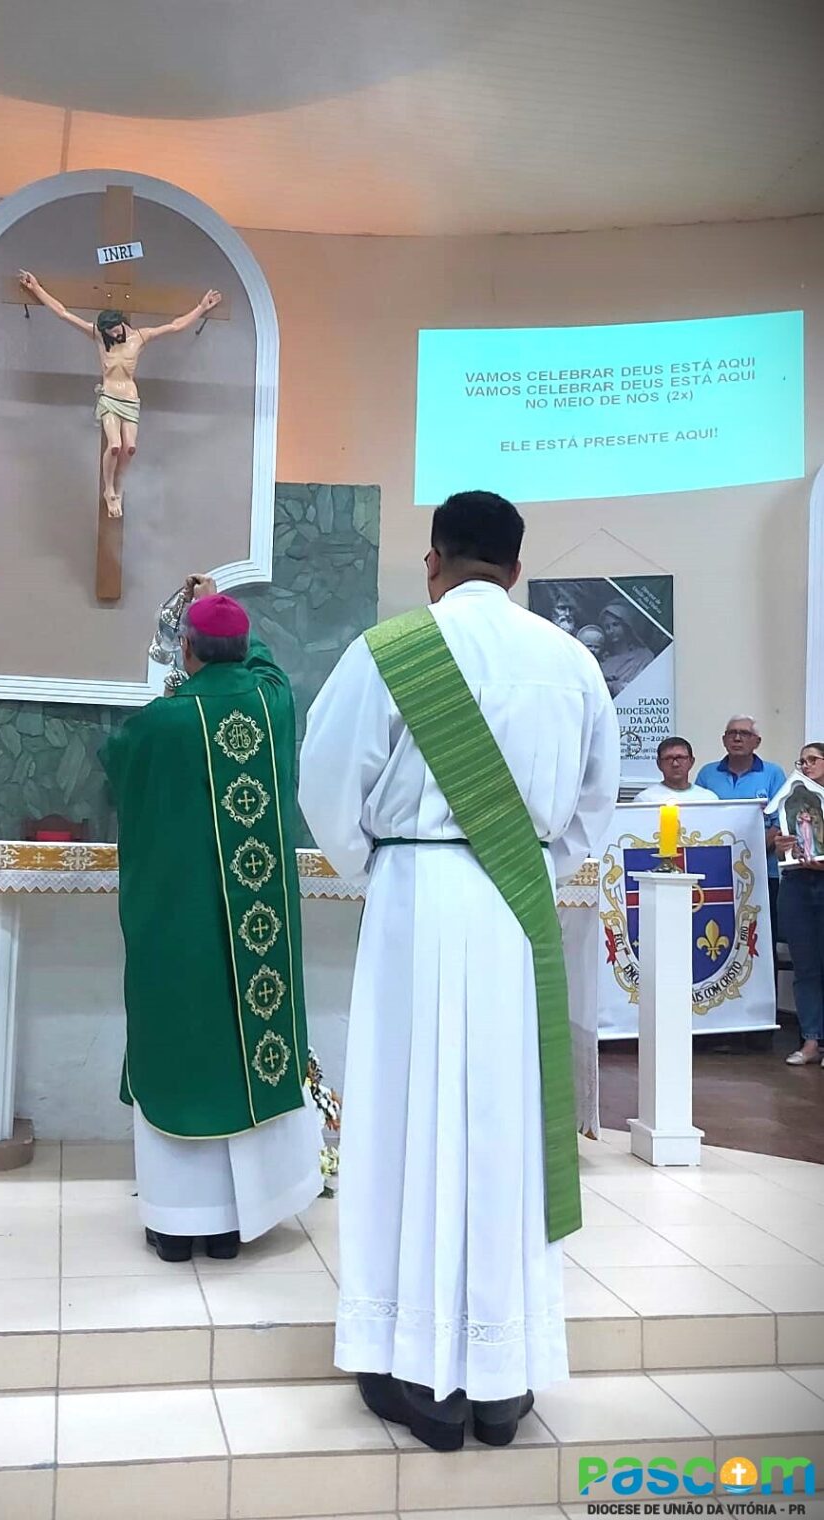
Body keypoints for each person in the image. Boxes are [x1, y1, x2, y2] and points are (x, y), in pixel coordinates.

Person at [299, 491, 619, 1451]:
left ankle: (422, 1380)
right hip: (514, 907)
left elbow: (325, 783)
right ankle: (501, 1383)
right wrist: (527, 866)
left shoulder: (390, 650)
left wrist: (384, 862)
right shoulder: (573, 663)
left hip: (414, 898)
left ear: (433, 560)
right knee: (503, 1131)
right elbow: (593, 810)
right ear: (518, 571)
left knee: (407, 1126)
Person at [100, 576, 321, 1262]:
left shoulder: (158, 725)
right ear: (238, 647)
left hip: (175, 925)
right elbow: (265, 664)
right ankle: (234, 1224)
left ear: (186, 649)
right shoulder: (274, 704)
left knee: (179, 1052)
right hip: (256, 937)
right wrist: (225, 608)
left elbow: (116, 767)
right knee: (237, 1058)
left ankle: (173, 1223)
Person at [17, 271, 222, 518]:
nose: (113, 335)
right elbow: (63, 313)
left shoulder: (140, 337)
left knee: (130, 447)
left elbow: (175, 326)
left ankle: (121, 486)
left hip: (130, 398)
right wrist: (37, 288)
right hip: (109, 397)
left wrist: (201, 307)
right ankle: (109, 489)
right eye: (109, 333)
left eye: (114, 330)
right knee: (115, 445)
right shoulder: (99, 337)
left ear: (121, 323)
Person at [695, 713, 786, 937]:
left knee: (762, 937)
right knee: (720, 935)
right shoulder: (707, 774)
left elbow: (779, 824)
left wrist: (748, 853)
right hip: (716, 872)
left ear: (757, 742)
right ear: (723, 740)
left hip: (763, 872)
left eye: (744, 733)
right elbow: (697, 818)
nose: (737, 738)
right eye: (732, 734)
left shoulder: (773, 773)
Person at [770, 744, 824, 1067]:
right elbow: (779, 853)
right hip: (796, 886)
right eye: (801, 761)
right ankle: (811, 1040)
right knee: (805, 967)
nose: (805, 765)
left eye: (812, 760)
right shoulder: (789, 800)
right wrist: (782, 848)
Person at [634, 737, 718, 804]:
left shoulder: (708, 799)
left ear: (691, 762)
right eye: (668, 758)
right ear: (659, 764)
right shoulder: (645, 800)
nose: (675, 764)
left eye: (680, 758)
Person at [598, 601, 653, 696]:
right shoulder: (604, 661)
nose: (611, 630)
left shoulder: (644, 657)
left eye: (615, 625)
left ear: (626, 626)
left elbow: (644, 688)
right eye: (607, 627)